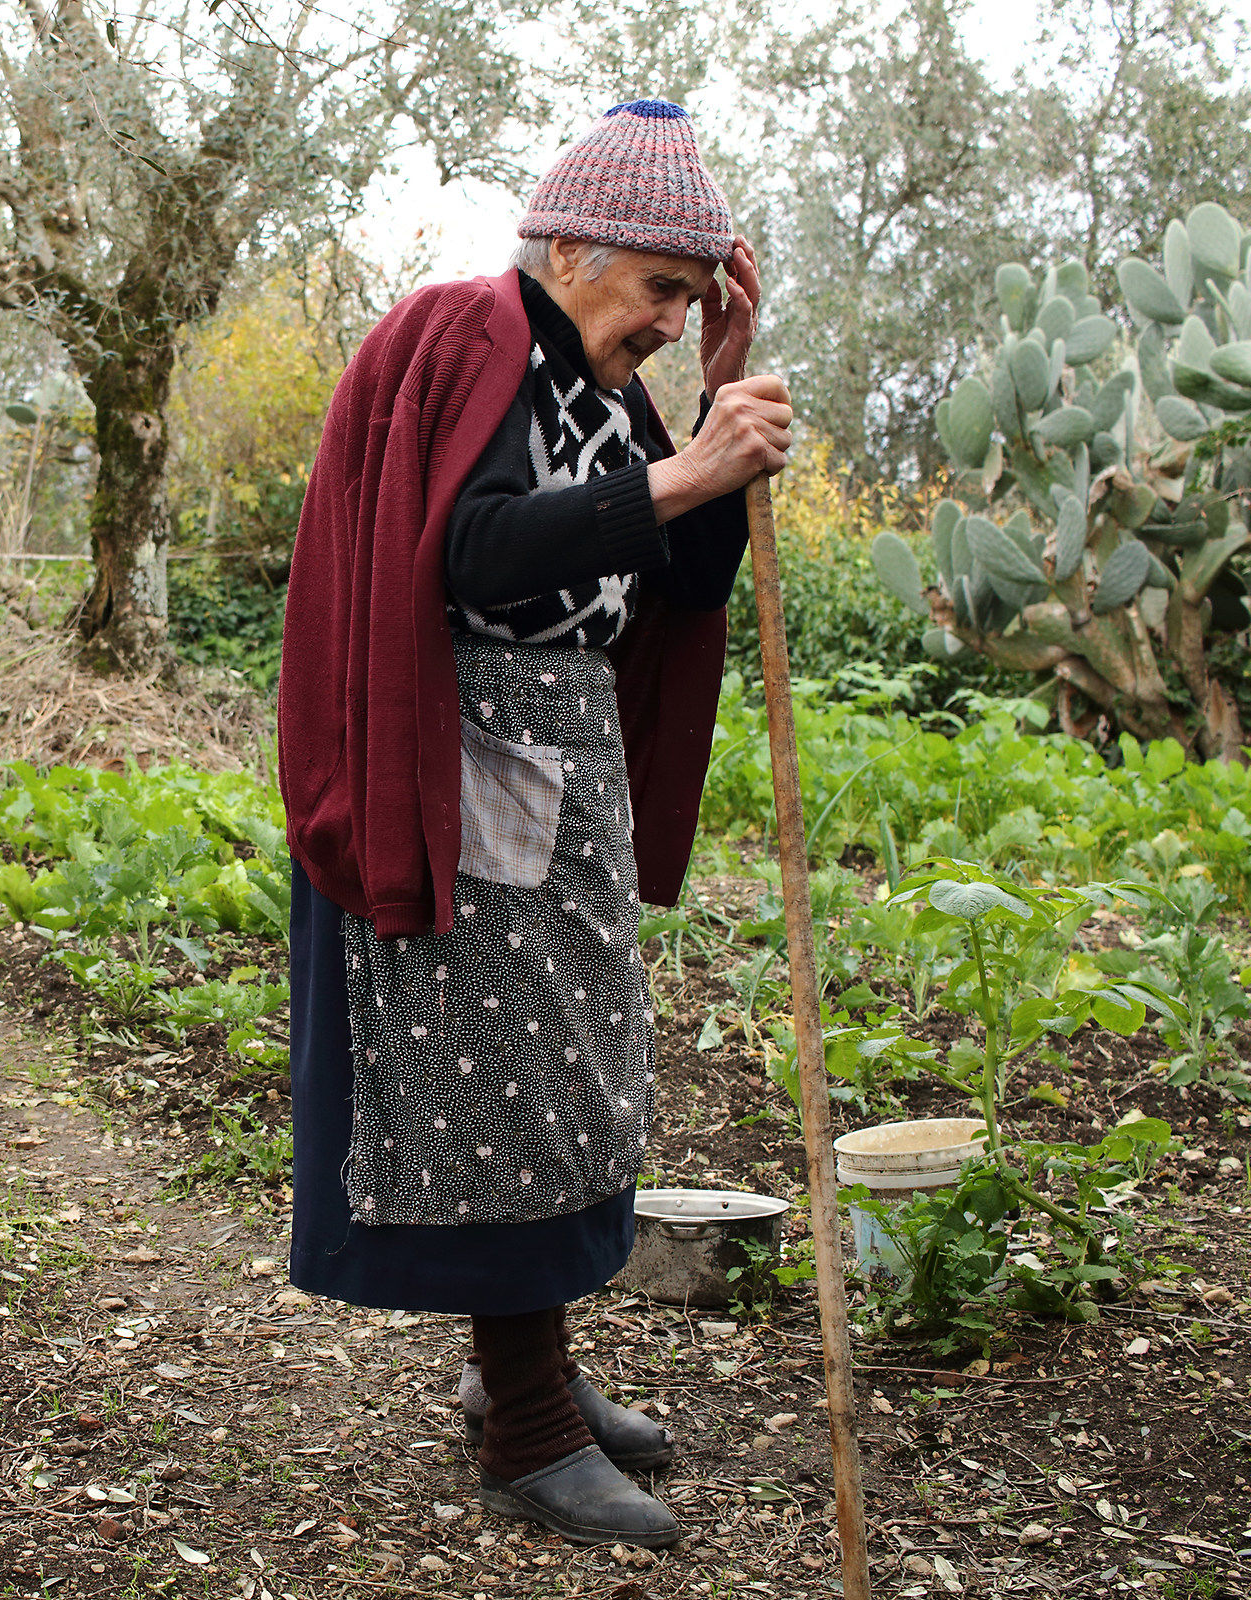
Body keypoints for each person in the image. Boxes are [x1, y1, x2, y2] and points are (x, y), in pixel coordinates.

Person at [276, 99, 793, 1549]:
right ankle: (527, 1427)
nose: (669, 323)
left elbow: (677, 584)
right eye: (660, 293)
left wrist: (708, 420)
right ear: (567, 247)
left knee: (564, 1065)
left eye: (690, 300)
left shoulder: (599, 390)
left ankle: (533, 1379)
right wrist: (689, 469)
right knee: (509, 1074)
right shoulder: (469, 339)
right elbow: (472, 546)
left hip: (557, 755)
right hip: (461, 751)